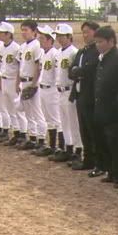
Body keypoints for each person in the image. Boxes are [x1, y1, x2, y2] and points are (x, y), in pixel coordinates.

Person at [91, 26, 118, 186]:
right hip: (102, 107)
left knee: (116, 142)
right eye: (96, 42)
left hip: (114, 109)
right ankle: (111, 171)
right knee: (105, 141)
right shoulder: (103, 58)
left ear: (111, 41)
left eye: (100, 42)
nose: (97, 45)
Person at [70, 21, 100, 171]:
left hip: (90, 95)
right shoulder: (81, 52)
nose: (85, 35)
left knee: (92, 129)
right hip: (80, 94)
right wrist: (78, 71)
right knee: (84, 129)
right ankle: (88, 159)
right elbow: (71, 71)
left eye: (88, 32)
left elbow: (90, 70)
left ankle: (96, 160)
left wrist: (79, 71)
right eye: (83, 32)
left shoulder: (97, 52)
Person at [53, 23, 80, 163]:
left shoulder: (74, 52)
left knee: (73, 123)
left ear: (69, 36)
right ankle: (68, 148)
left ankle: (78, 150)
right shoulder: (58, 53)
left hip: (70, 90)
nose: (59, 38)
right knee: (64, 122)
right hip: (59, 91)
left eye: (62, 36)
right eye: (58, 36)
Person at [16, 20, 44, 150]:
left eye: (26, 30)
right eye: (22, 30)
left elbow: (38, 66)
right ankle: (32, 138)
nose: (23, 32)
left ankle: (41, 139)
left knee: (37, 112)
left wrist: (33, 84)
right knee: (28, 113)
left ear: (34, 31)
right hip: (24, 81)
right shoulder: (22, 47)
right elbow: (20, 67)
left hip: (33, 82)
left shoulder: (37, 45)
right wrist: (18, 83)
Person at [34, 25, 62, 156]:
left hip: (52, 90)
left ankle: (60, 147)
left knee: (56, 119)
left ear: (50, 40)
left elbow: (57, 74)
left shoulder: (55, 54)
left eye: (42, 38)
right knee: (48, 119)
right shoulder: (42, 53)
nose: (40, 40)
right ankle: (51, 146)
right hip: (43, 89)